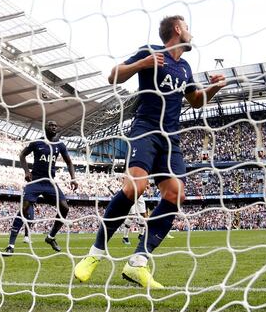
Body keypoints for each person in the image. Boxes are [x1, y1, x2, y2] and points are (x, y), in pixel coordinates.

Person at [73, 15, 226, 289]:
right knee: (135, 188)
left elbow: (196, 101)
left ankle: (138, 264)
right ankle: (94, 255)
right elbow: (113, 75)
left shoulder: (185, 68)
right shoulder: (150, 52)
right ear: (177, 30)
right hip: (145, 129)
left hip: (171, 139)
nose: (191, 32)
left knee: (175, 194)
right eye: (187, 27)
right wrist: (142, 64)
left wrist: (213, 87)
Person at [3, 120, 78, 256]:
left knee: (65, 208)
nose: (54, 127)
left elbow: (69, 162)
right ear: (45, 128)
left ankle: (50, 237)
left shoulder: (60, 145)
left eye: (56, 125)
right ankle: (10, 245)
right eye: (51, 125)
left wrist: (73, 178)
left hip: (50, 182)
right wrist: (26, 171)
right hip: (35, 181)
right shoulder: (37, 143)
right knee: (24, 208)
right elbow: (22, 155)